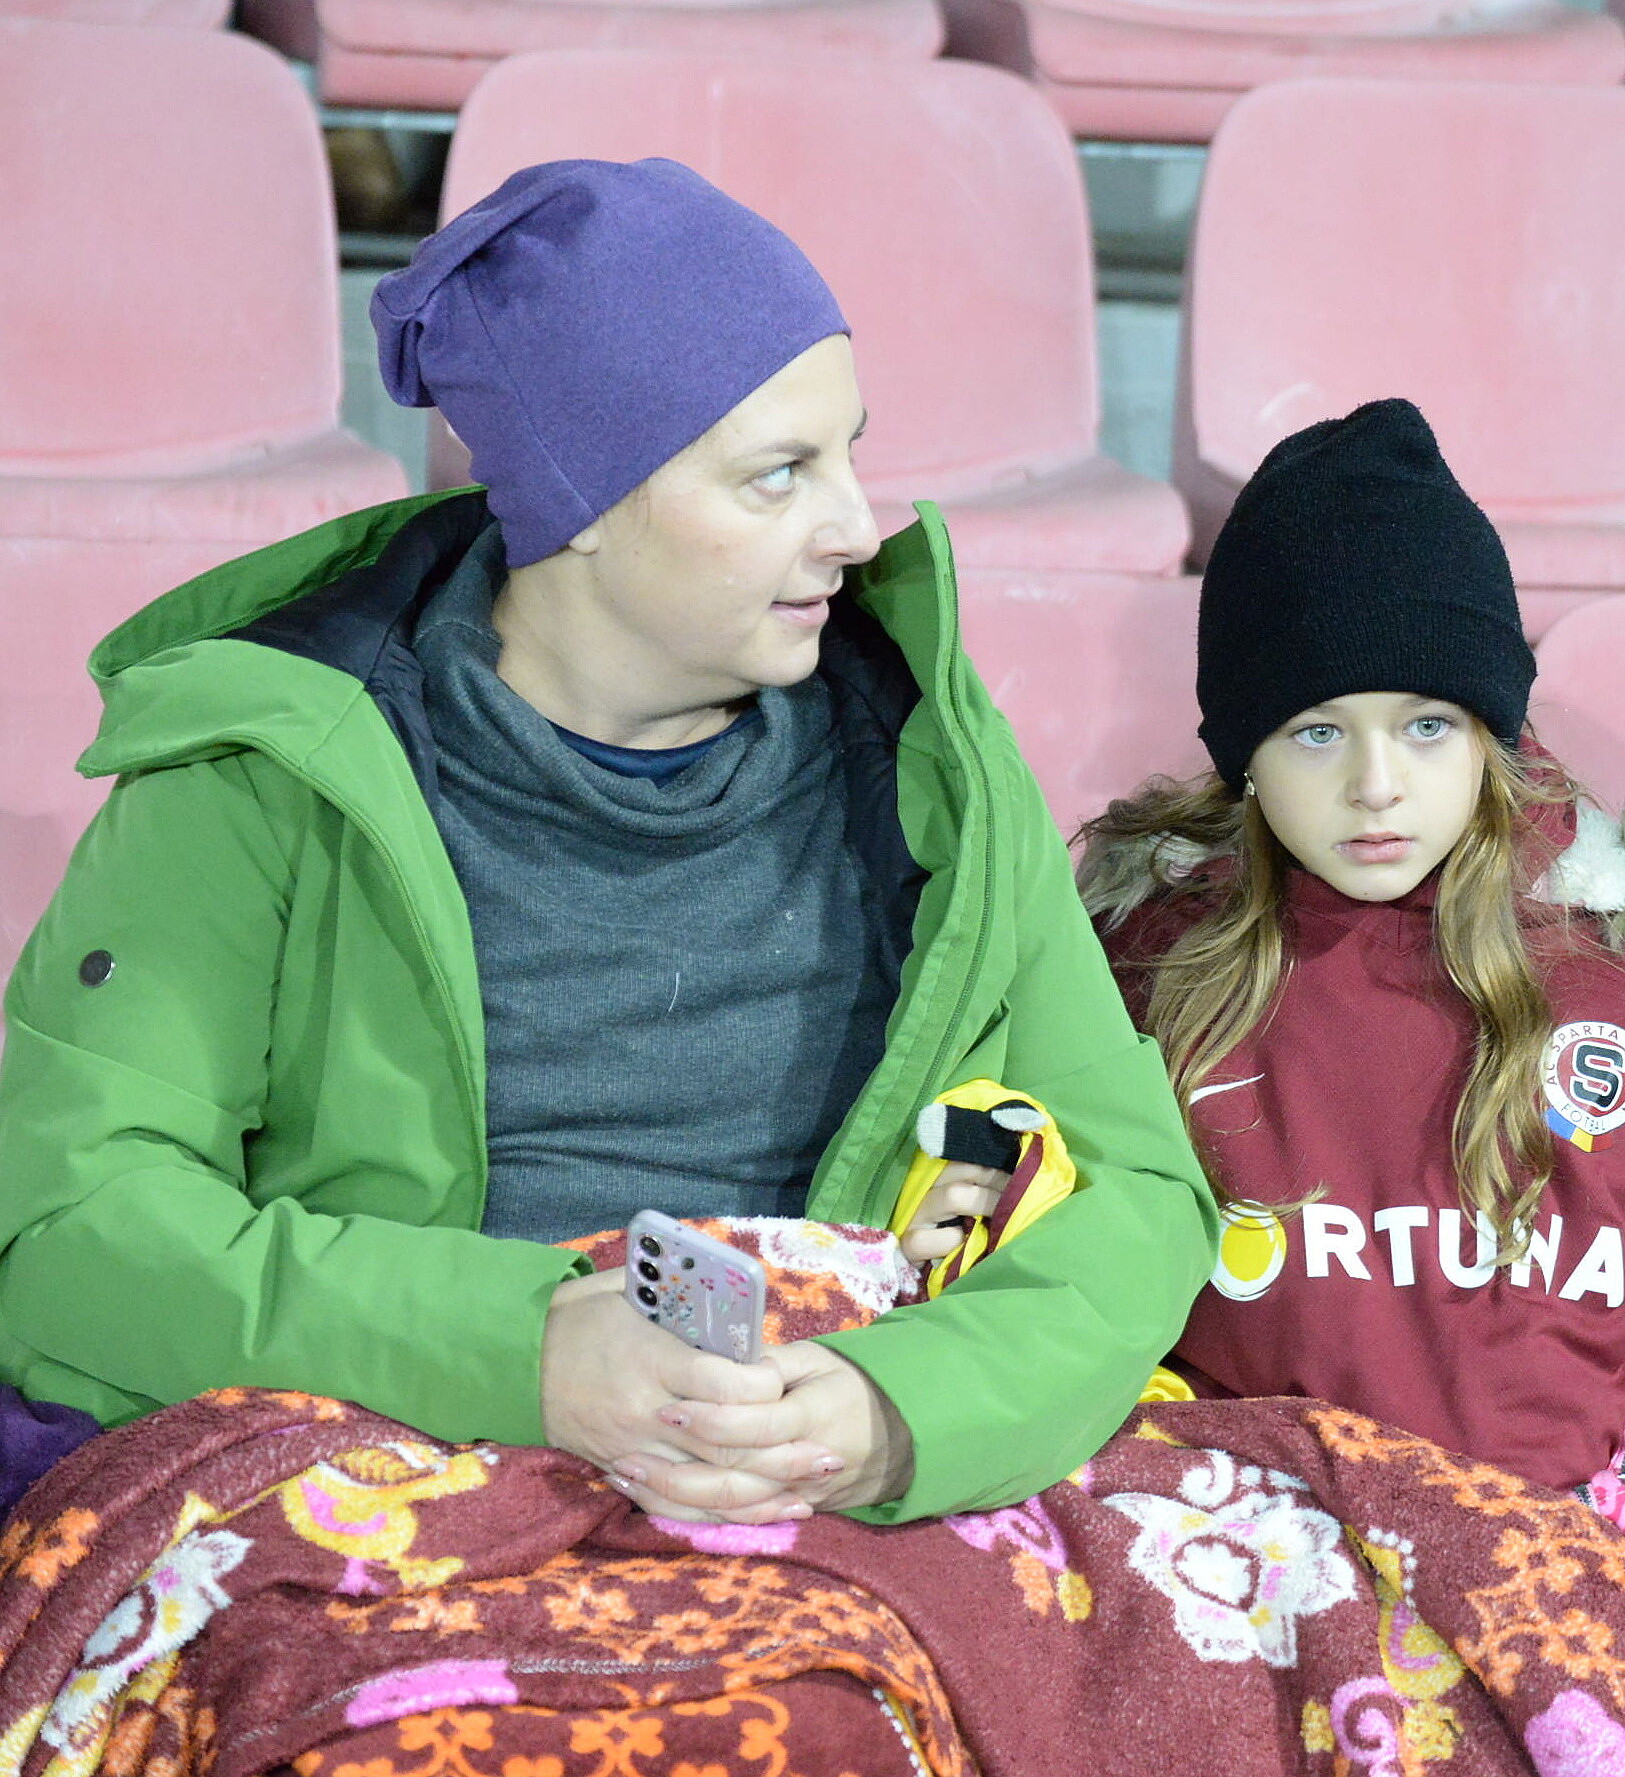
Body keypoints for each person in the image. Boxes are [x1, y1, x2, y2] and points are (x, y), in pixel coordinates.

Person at [0, 158, 1215, 1528]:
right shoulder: (268, 766)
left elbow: (1135, 1190)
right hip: (400, 1465)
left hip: (832, 1480)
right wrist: (516, 1352)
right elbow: (70, 1229)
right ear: (582, 504)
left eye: (848, 454)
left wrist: (899, 1411)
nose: (854, 528)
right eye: (778, 476)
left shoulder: (929, 754)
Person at [1077, 399, 1625, 1756]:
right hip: (1235, 1593)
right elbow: (1061, 1306)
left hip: (1558, 1595)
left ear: (1495, 726)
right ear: (1242, 752)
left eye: (1428, 725)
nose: (1376, 785)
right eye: (1316, 731)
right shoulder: (1139, 984)